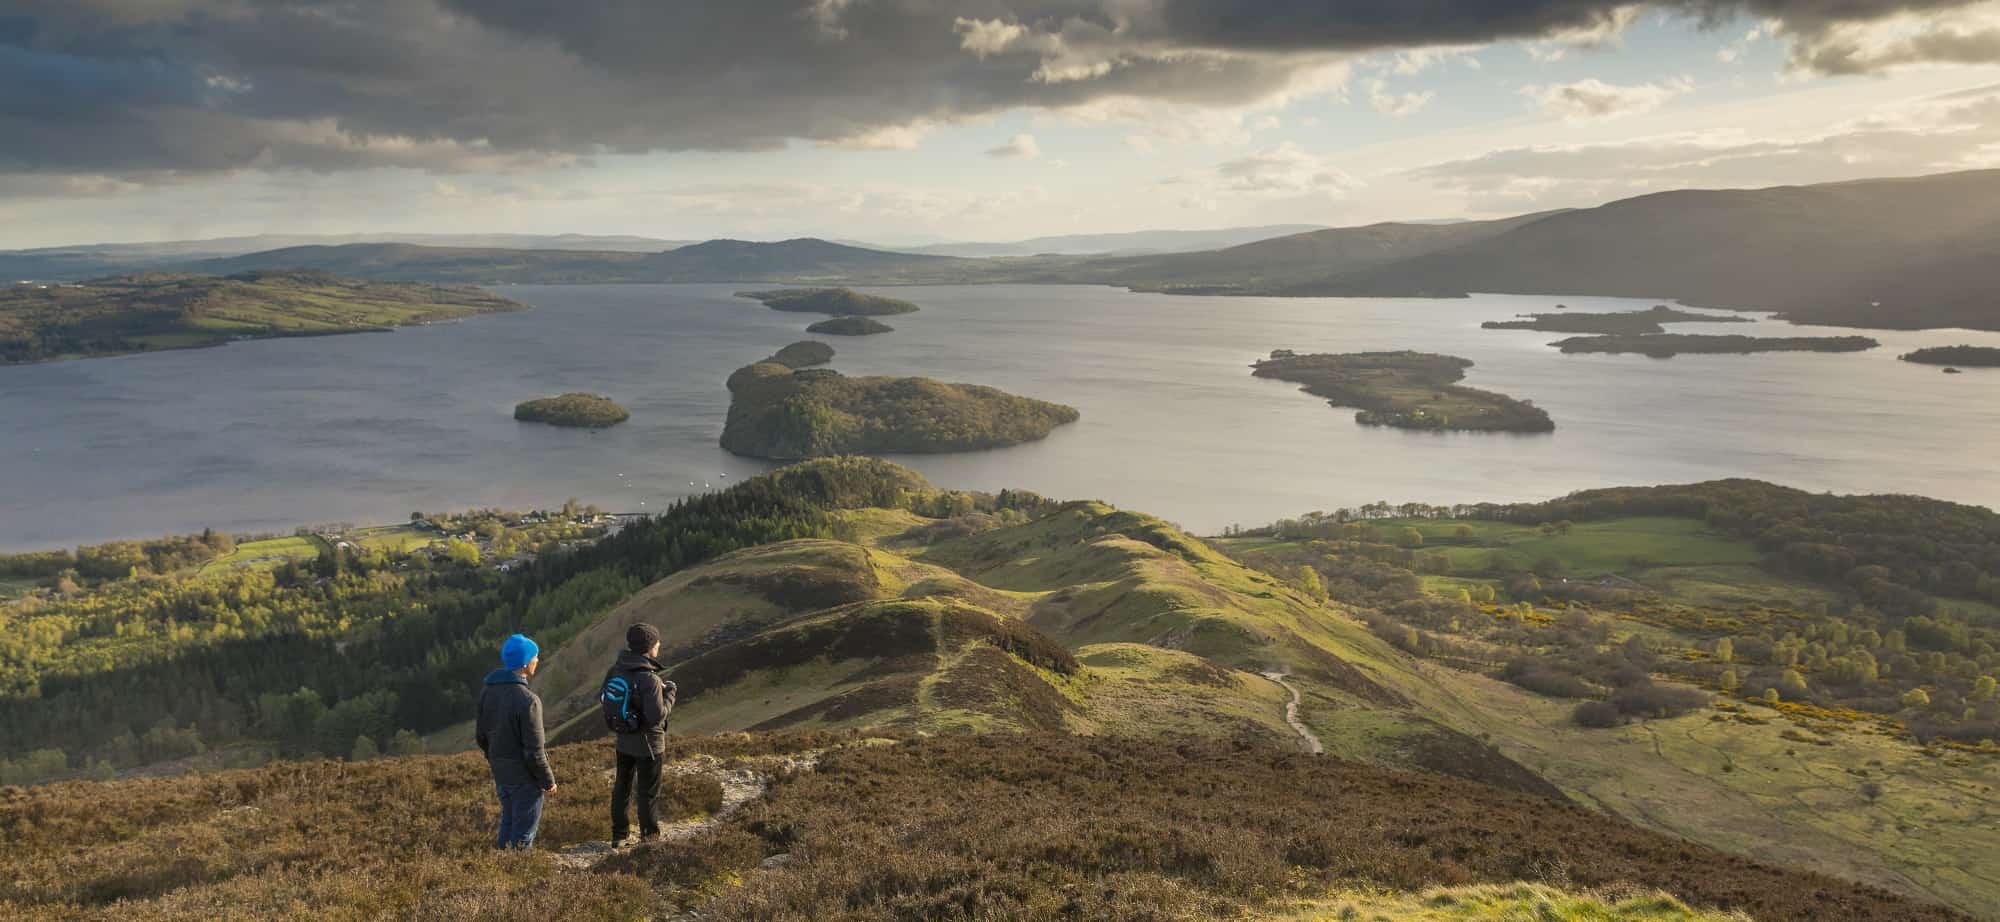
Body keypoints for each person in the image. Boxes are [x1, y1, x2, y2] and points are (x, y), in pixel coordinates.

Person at [477, 633, 557, 849]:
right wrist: (548, 781)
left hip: (502, 774)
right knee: (523, 834)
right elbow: (534, 751)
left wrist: (496, 760)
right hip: (525, 778)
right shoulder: (529, 701)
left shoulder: (488, 691)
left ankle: (501, 871)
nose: (537, 660)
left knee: (508, 823)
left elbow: (481, 736)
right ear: (525, 663)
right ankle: (516, 874)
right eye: (535, 657)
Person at [606, 623, 676, 844]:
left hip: (623, 740)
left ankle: (619, 835)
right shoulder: (650, 678)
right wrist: (670, 693)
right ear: (649, 648)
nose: (659, 646)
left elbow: (605, 698)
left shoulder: (616, 670)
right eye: (657, 643)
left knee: (622, 788)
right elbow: (657, 715)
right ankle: (650, 839)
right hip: (649, 745)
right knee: (647, 793)